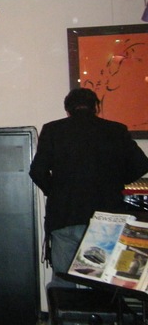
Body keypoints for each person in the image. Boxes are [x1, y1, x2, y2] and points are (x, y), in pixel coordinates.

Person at [29, 88, 148, 289]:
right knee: (101, 282)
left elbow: (37, 171)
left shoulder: (53, 130)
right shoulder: (116, 130)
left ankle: (66, 310)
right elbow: (142, 165)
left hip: (64, 215)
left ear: (68, 110)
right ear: (97, 107)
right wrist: (116, 182)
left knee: (63, 282)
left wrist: (55, 191)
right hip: (106, 218)